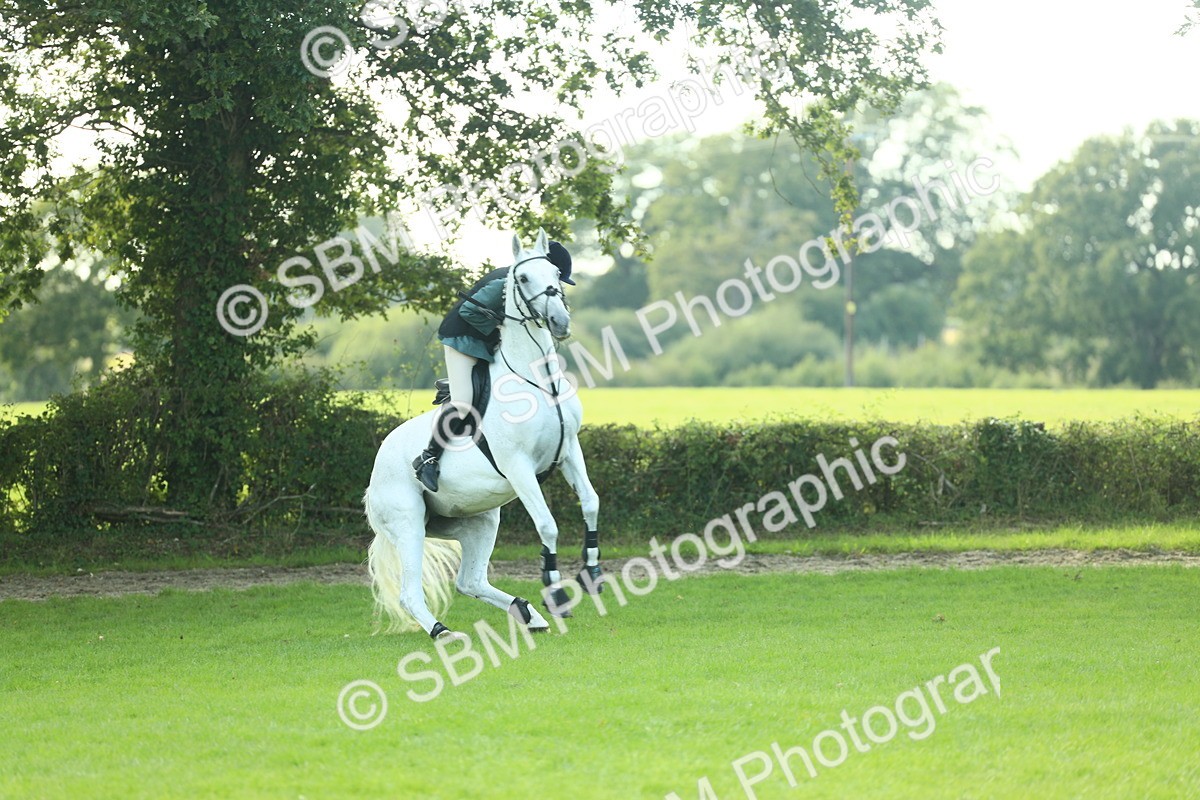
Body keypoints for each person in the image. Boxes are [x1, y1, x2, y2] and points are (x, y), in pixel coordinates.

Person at [412, 240, 575, 492]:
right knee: (464, 402)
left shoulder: (533, 284)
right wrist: (504, 328)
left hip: (488, 341)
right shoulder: (505, 283)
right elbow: (469, 312)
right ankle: (428, 457)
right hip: (462, 340)